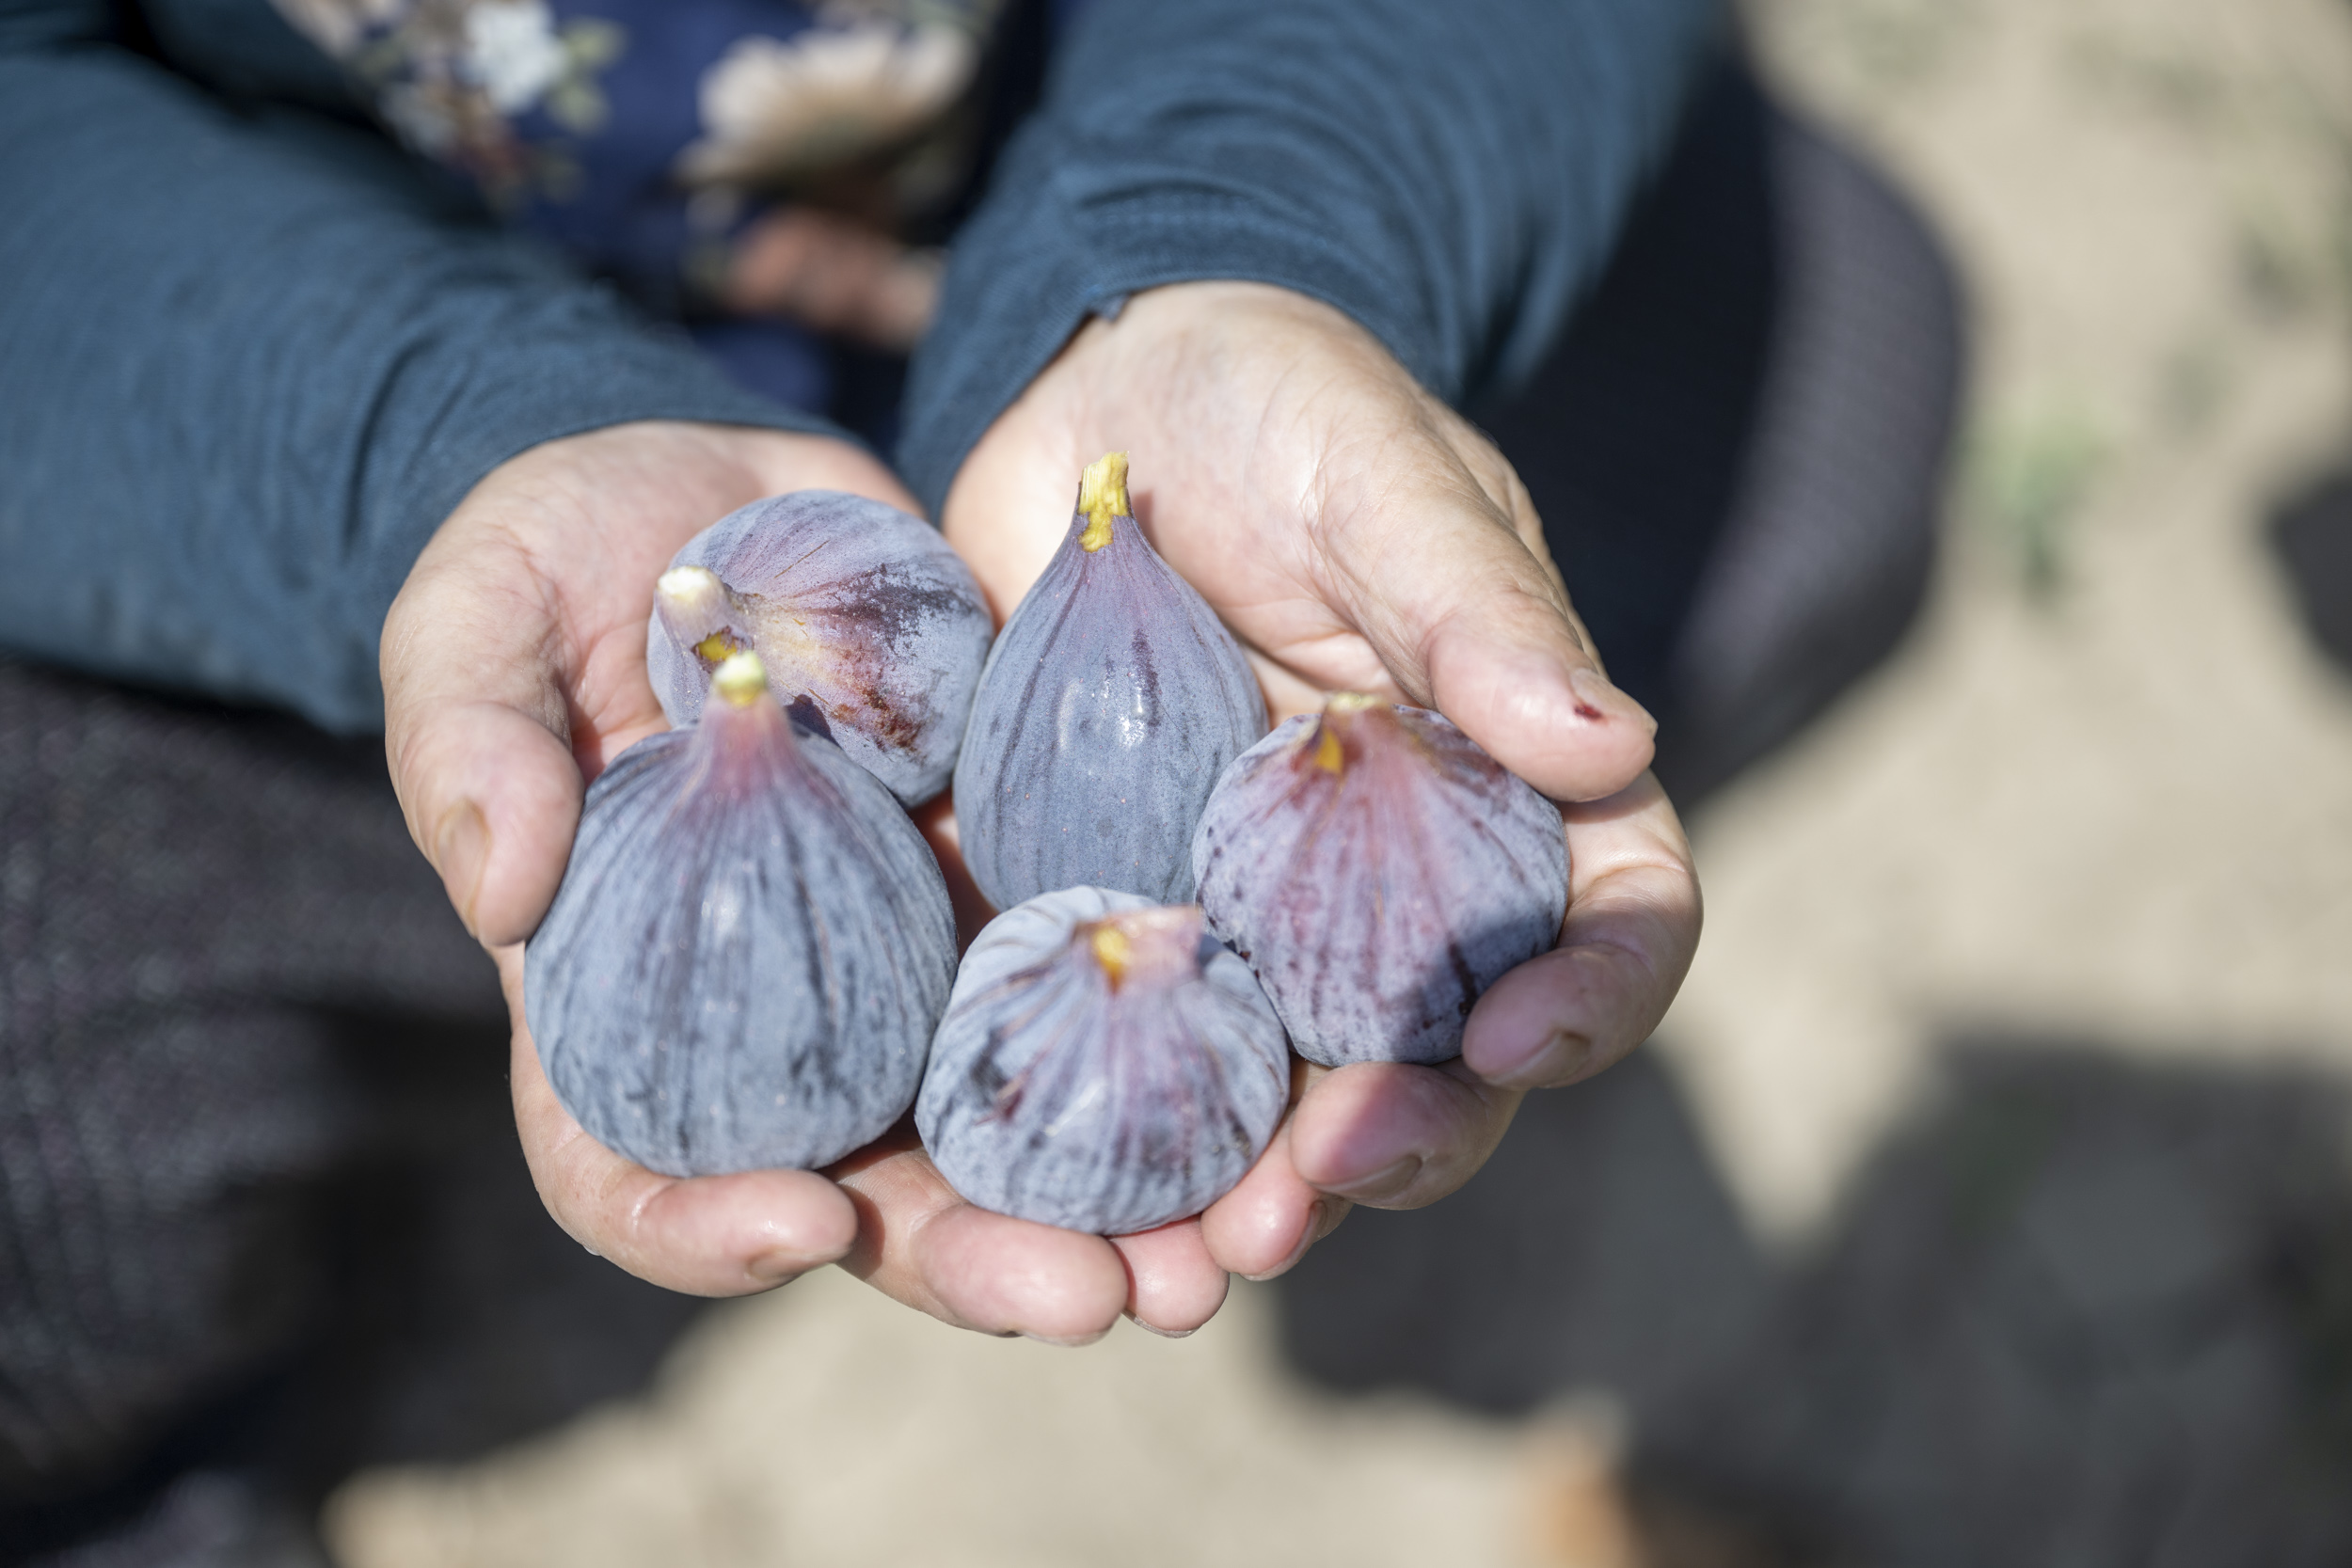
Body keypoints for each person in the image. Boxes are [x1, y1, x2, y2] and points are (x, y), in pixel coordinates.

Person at [0, 0, 1765, 1556]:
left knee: (1829, 416)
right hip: (306, 435)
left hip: (1059, 256)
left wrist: (1244, 239)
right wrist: (428, 438)